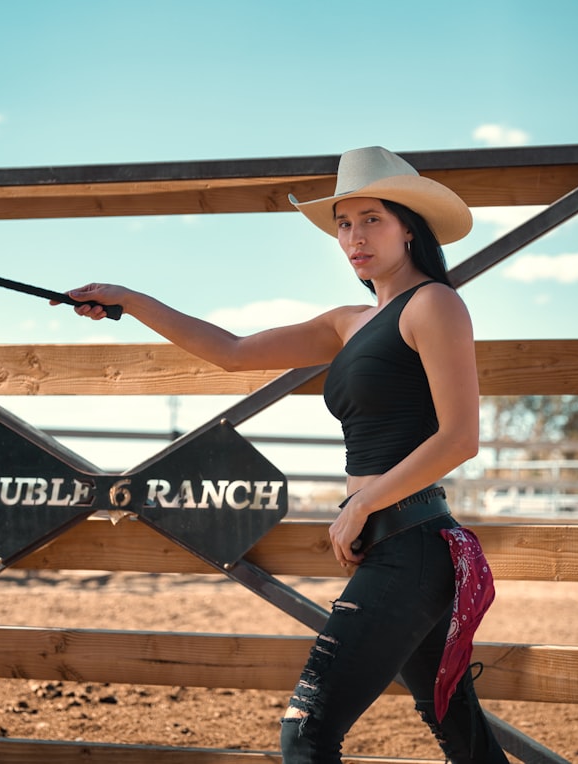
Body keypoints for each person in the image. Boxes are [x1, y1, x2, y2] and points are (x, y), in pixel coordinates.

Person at [59, 146, 509, 763]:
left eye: (372, 218)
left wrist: (360, 505)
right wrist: (129, 299)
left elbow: (460, 437)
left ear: (410, 225)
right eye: (343, 224)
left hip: (412, 543)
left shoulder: (434, 304)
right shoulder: (348, 322)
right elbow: (233, 350)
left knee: (307, 732)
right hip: (391, 542)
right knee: (457, 727)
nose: (354, 236)